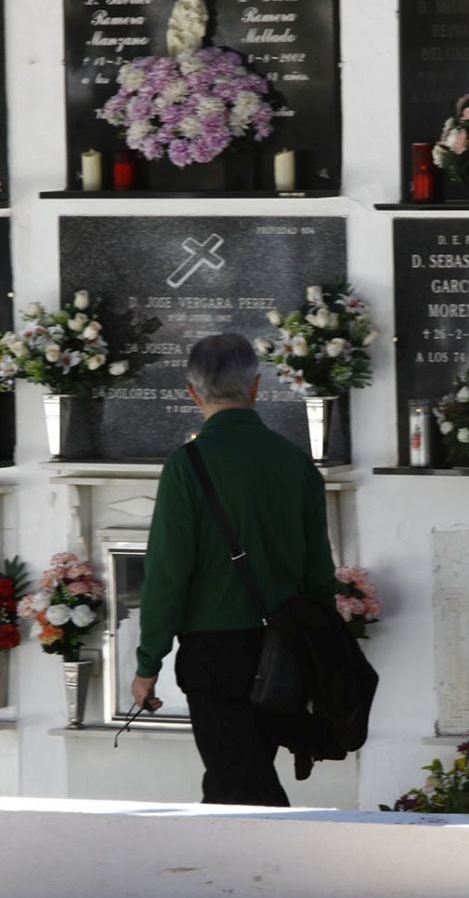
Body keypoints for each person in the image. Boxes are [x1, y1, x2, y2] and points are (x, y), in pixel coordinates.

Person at [129, 332, 337, 805]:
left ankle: (282, 871)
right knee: (234, 780)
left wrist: (148, 664)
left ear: (192, 392)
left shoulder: (186, 466)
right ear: (257, 388)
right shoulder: (296, 463)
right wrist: (319, 656)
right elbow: (319, 572)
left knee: (241, 789)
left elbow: (167, 574)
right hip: (283, 652)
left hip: (214, 655)